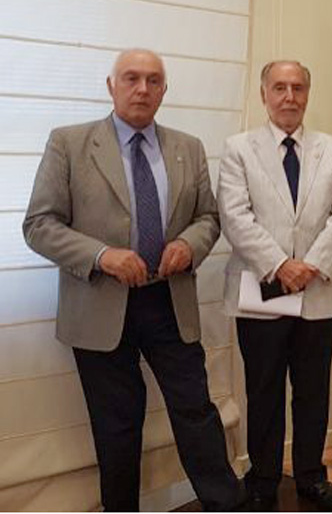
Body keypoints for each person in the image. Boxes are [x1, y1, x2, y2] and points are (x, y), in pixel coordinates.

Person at [22, 49, 243, 511]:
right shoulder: (69, 143)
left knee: (196, 413)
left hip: (169, 300)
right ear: (111, 86)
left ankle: (225, 505)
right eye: (131, 78)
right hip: (100, 305)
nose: (142, 89)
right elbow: (39, 225)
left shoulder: (188, 148)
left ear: (164, 90)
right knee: (116, 427)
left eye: (153, 80)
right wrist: (101, 256)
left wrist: (190, 244)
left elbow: (208, 217)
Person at [218, 60, 332, 511]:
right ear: (264, 94)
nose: (289, 97)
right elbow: (235, 217)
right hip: (262, 289)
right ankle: (262, 480)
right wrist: (280, 264)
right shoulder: (239, 149)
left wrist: (309, 265)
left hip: (318, 291)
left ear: (308, 94)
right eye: (279, 87)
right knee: (264, 390)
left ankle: (312, 478)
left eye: (298, 88)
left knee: (313, 390)